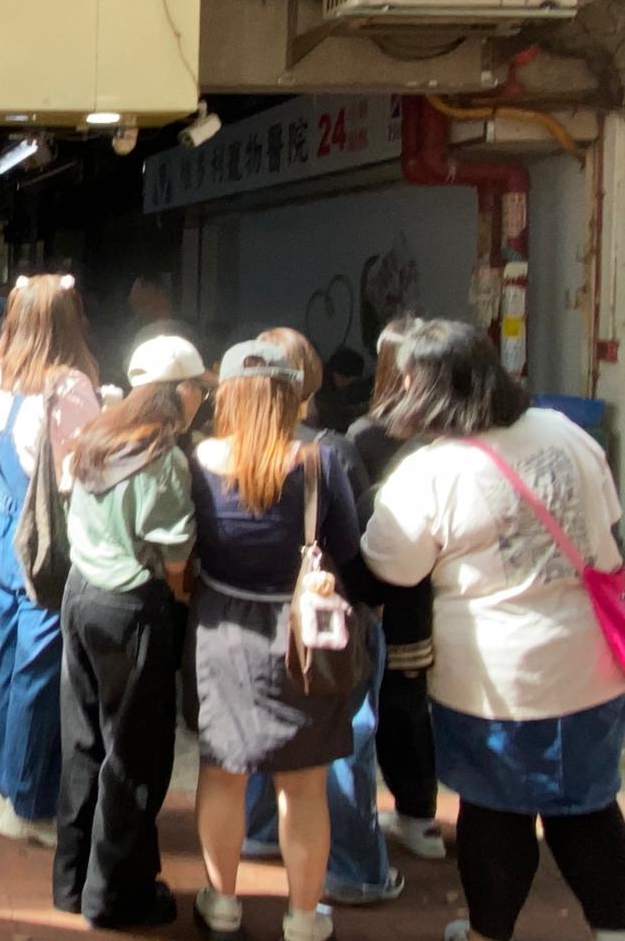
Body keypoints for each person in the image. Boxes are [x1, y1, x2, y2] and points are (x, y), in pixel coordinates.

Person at [362, 320, 625, 941]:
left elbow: (392, 566)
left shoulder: (429, 472)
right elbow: (608, 522)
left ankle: (488, 933)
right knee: (586, 808)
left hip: (495, 681)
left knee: (495, 813)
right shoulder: (565, 431)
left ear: (427, 388)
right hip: (590, 662)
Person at [186, 340, 381, 941]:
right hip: (303, 638)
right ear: (290, 395)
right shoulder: (318, 462)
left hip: (220, 630)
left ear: (228, 394)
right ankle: (301, 917)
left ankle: (221, 903)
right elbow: (349, 552)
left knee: (222, 772)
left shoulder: (198, 461)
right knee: (305, 784)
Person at [239, 328, 400, 907]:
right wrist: (371, 610)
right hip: (325, 619)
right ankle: (355, 868)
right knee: (346, 735)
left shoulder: (223, 453)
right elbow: (356, 545)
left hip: (255, 616)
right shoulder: (330, 451)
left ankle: (259, 831)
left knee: (265, 724)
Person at [54, 335, 208, 929]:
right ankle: (116, 897)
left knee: (83, 743)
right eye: (198, 389)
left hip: (81, 594)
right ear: (180, 392)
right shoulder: (163, 458)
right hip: (129, 606)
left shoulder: (97, 435)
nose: (201, 400)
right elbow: (174, 562)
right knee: (134, 755)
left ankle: (72, 883)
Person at [0, 274, 102, 846]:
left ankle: (8, 785)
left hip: (1, 526)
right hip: (46, 536)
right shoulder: (69, 386)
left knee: (11, 658)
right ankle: (28, 801)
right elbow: (83, 469)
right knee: (41, 666)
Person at [345, 317, 443, 862]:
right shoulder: (453, 432)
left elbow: (361, 523)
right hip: (444, 589)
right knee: (419, 705)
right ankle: (421, 816)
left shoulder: (365, 434)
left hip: (390, 589)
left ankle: (384, 820)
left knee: (383, 703)